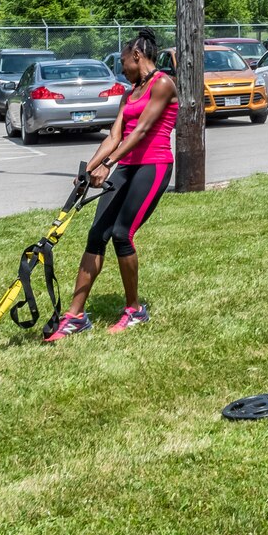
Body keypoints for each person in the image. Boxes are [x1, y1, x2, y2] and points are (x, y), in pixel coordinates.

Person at [45, 28, 178, 339]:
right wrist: (88, 169)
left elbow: (141, 132)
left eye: (123, 61)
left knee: (122, 233)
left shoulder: (162, 84)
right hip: (127, 165)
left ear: (137, 56)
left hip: (154, 166)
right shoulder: (128, 92)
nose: (121, 67)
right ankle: (75, 316)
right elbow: (115, 136)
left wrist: (108, 164)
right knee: (96, 234)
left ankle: (134, 309)